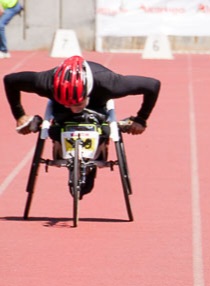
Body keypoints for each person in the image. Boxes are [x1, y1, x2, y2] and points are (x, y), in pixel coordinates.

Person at [4, 55, 161, 196]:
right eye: (69, 105)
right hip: (60, 107)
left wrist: (141, 119)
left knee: (104, 129)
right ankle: (58, 139)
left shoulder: (110, 83)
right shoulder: (44, 82)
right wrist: (20, 115)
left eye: (77, 104)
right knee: (55, 129)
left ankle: (94, 157)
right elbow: (10, 81)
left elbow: (153, 85)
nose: (74, 109)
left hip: (96, 103)